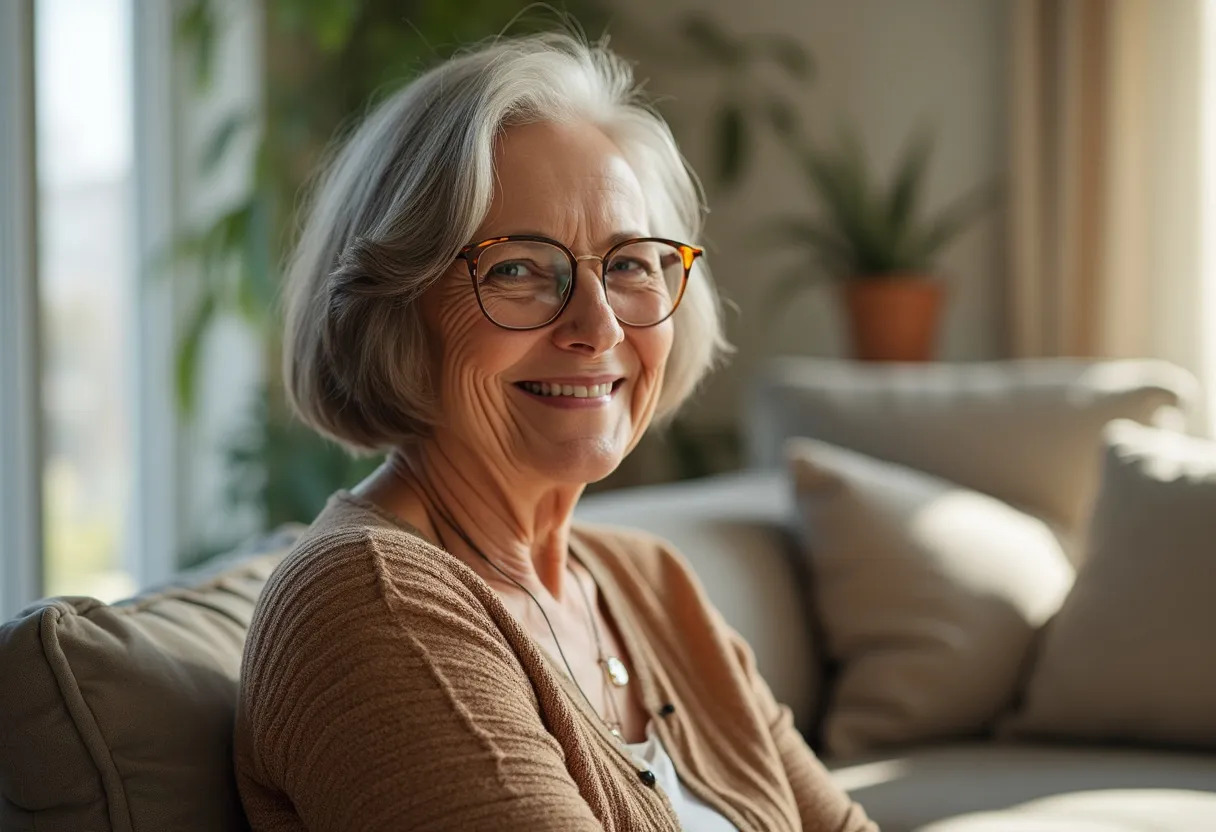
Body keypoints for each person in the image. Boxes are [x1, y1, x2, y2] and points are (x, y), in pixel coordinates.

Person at [233, 30, 876, 832]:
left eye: (630, 262)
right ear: (394, 309)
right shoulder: (373, 603)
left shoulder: (651, 587)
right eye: (518, 268)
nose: (597, 325)